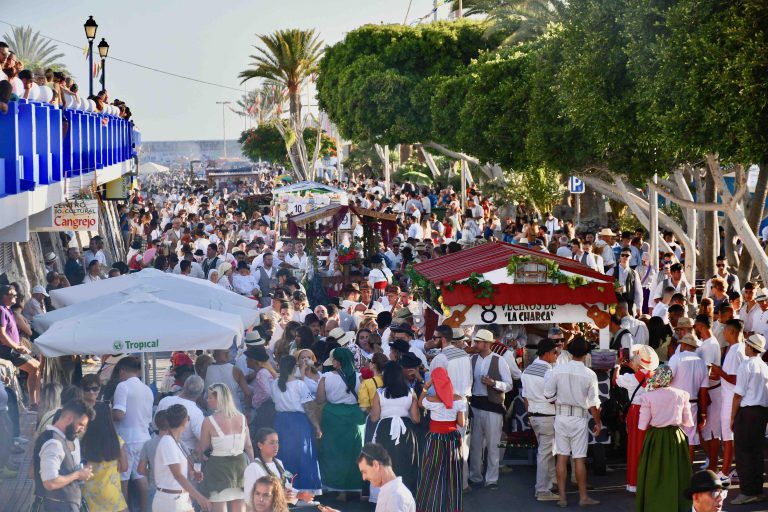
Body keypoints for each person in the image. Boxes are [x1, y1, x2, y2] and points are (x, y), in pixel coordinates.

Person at [544, 336, 601, 507]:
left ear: (569, 351)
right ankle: (583, 497)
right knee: (579, 458)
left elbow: (548, 395)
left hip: (561, 415)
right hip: (579, 417)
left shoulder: (558, 370)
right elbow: (593, 403)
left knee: (561, 457)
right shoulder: (589, 374)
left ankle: (562, 497)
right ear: (586, 353)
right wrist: (598, 422)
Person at [316, 347, 366, 498]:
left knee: (334, 452)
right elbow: (364, 400)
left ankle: (337, 488)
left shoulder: (326, 377)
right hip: (355, 418)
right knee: (354, 452)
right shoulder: (360, 377)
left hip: (332, 417)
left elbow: (320, 400)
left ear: (336, 362)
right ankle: (353, 487)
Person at [270, 356, 323, 495]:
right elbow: (309, 408)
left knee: (283, 455)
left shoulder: (275, 383)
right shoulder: (300, 385)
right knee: (303, 455)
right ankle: (302, 490)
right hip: (299, 422)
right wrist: (317, 426)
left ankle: (284, 488)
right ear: (295, 367)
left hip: (281, 421)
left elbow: (274, 401)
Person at [416, 367, 466, 512]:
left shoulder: (430, 400)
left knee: (432, 473)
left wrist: (425, 387)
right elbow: (461, 423)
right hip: (452, 439)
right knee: (453, 474)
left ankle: (429, 507)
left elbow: (420, 403)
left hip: (435, 439)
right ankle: (454, 507)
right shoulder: (459, 400)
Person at [468, 328, 513, 490]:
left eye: (478, 341)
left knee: (493, 444)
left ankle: (492, 479)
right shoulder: (471, 359)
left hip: (493, 406)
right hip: (475, 405)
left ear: (487, 344)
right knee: (475, 444)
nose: (475, 344)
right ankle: (475, 475)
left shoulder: (499, 360)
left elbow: (509, 385)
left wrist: (493, 383)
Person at [198, 383, 253, 511]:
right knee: (240, 506)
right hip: (240, 466)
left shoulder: (208, 421)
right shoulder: (242, 418)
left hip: (218, 468)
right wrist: (251, 467)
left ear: (219, 399)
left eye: (210, 397)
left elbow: (203, 447)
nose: (208, 400)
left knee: (219, 506)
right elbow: (249, 446)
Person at [368, 361, 420, 497]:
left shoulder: (379, 393)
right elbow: (416, 418)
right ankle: (405, 496)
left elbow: (374, 418)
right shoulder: (410, 392)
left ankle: (385, 497)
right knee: (406, 462)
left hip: (385, 429)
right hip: (406, 430)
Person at [33, 399, 95, 512]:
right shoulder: (53, 443)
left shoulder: (72, 439)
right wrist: (77, 474)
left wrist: (82, 471)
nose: (83, 429)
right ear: (69, 419)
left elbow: (68, 469)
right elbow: (50, 482)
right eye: (81, 424)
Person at [729, 333, 768, 505]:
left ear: (751, 347)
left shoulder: (747, 365)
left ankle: (747, 491)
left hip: (748, 412)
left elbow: (738, 395)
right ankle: (756, 490)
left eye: (746, 344)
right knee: (757, 453)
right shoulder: (764, 366)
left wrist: (732, 418)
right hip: (761, 413)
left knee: (743, 453)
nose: (745, 346)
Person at [112, 356, 154, 512]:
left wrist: (105, 414)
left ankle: (125, 509)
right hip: (144, 437)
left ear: (122, 370)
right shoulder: (147, 389)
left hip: (127, 438)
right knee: (140, 476)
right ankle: (144, 509)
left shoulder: (123, 386)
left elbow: (119, 414)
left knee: (123, 477)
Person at [616, 345, 658, 493]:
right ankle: (650, 482)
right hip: (652, 413)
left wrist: (618, 365)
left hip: (636, 412)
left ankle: (636, 483)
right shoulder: (656, 377)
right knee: (650, 447)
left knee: (635, 446)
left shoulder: (631, 379)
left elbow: (616, 380)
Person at [521, 338, 559, 501]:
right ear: (547, 354)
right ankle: (543, 489)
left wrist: (529, 415)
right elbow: (553, 397)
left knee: (546, 452)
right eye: (555, 353)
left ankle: (551, 483)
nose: (557, 356)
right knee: (545, 453)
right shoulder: (549, 372)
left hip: (534, 416)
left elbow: (525, 398)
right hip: (547, 416)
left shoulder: (527, 370)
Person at [152, 404, 210, 512]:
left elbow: (177, 473)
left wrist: (192, 474)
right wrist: (199, 497)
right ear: (185, 421)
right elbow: (177, 475)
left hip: (177, 499)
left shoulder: (174, 442)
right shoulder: (168, 442)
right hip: (170, 501)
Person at [709, 318, 745, 480]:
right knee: (730, 437)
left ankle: (724, 473)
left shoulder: (737, 350)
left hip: (732, 400)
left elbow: (737, 379)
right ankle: (733, 471)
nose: (723, 333)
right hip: (728, 397)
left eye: (725, 330)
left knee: (728, 437)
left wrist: (719, 371)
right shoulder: (734, 349)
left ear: (732, 332)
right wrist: (719, 373)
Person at [81, 401, 129, 512]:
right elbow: (125, 467)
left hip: (89, 492)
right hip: (111, 491)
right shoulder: (116, 441)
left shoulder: (84, 440)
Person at [669, 334, 709, 461]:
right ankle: (688, 472)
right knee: (690, 439)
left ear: (684, 345)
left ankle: (675, 471)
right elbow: (703, 391)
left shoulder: (676, 358)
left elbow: (666, 380)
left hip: (675, 403)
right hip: (692, 404)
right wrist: (703, 414)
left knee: (673, 437)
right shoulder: (702, 363)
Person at [0, 285, 41, 407]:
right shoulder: (1, 310)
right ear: (4, 296)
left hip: (14, 348)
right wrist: (16, 347)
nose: (15, 297)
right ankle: (33, 402)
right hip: (8, 350)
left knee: (38, 367)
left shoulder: (8, 310)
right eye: (12, 294)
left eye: (15, 295)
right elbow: (2, 335)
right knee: (34, 368)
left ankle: (35, 401)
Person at [157, 375, 206, 454]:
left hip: (162, 449)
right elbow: (202, 437)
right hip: (185, 454)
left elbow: (155, 425)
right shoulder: (196, 413)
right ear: (200, 394)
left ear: (184, 386)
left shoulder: (165, 401)